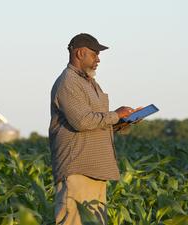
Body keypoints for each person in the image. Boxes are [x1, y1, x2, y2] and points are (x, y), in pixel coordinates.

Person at [49, 33, 133, 225]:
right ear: (79, 53)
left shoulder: (90, 83)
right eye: (94, 54)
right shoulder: (68, 82)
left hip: (96, 169)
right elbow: (82, 122)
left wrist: (122, 122)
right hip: (77, 168)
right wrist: (116, 114)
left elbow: (97, 123)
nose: (98, 59)